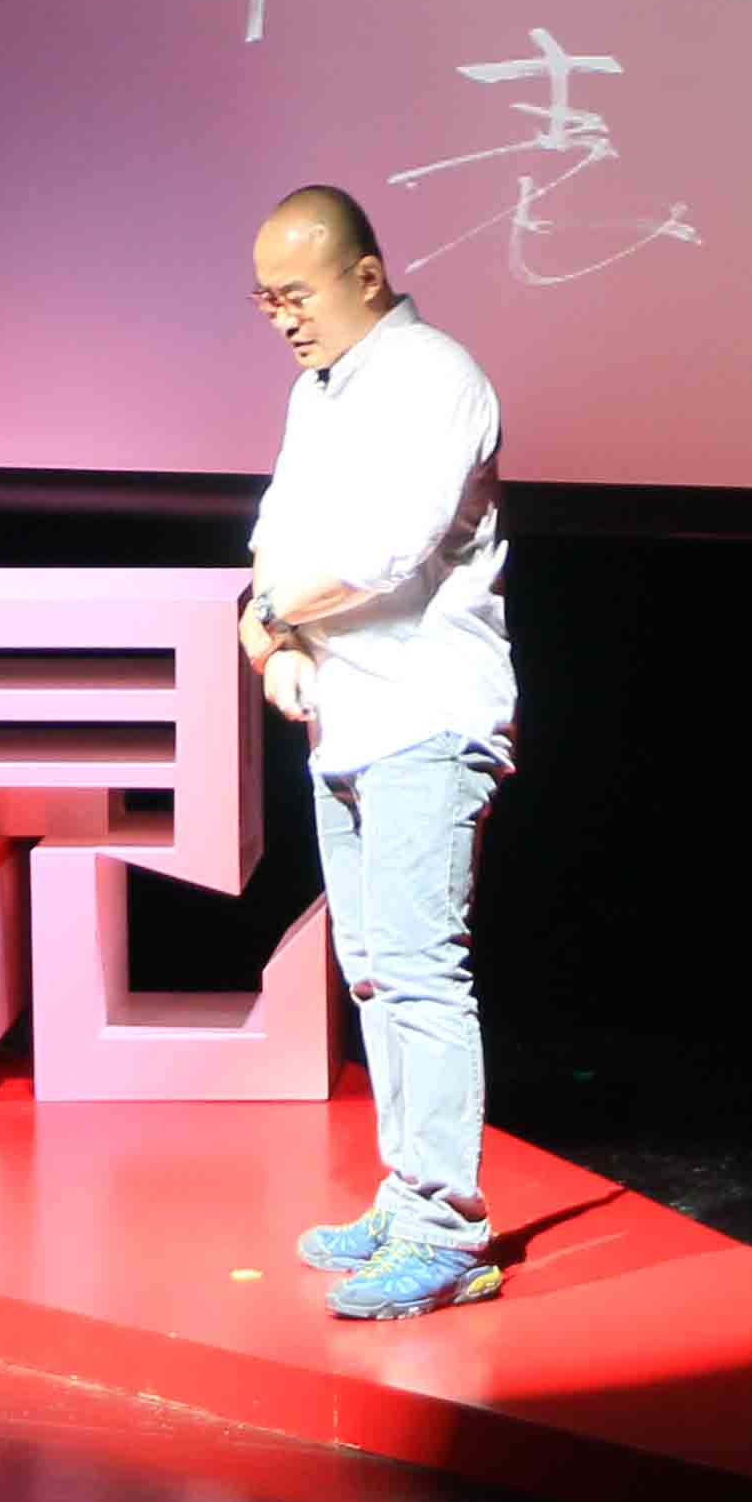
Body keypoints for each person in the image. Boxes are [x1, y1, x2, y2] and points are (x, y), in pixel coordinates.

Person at [234, 186, 513, 1320]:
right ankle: (407, 1197)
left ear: (364, 274)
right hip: (347, 721)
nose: (285, 320)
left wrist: (268, 616)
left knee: (420, 966)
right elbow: (275, 534)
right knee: (371, 969)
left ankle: (447, 1228)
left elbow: (388, 549)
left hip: (427, 717)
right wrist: (271, 638)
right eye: (267, 303)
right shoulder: (318, 395)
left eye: (298, 295)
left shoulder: (437, 377)